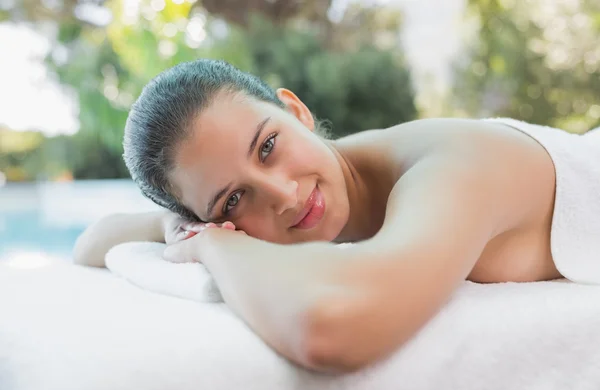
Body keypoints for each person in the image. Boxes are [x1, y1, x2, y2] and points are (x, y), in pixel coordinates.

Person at [73, 58, 600, 373]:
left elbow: (332, 328)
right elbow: (94, 240)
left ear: (296, 110)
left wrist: (217, 244)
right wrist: (185, 226)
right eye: (234, 201)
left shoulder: (453, 166)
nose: (280, 194)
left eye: (268, 145)